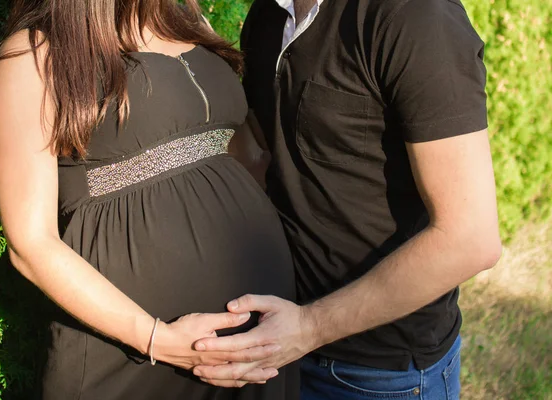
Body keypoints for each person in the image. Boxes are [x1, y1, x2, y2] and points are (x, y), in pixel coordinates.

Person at [0, 0, 299, 398]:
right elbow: (30, 244)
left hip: (251, 337)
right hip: (137, 356)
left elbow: (234, 149)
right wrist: (158, 340)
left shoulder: (185, 17)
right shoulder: (35, 57)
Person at [190, 0, 503, 398]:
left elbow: (470, 239)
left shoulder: (415, 16)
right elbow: (262, 160)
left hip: (380, 374)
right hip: (279, 345)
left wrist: (309, 327)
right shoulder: (270, 14)